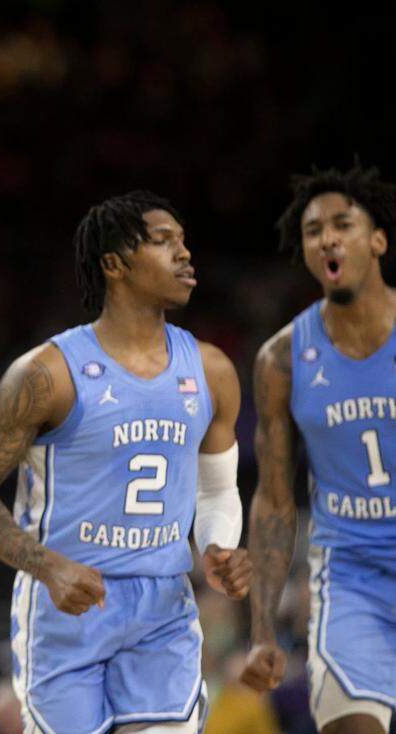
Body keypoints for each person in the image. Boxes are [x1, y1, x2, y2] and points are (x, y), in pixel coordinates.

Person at [0, 191, 252, 733]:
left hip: (163, 607)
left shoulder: (212, 370)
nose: (184, 254)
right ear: (114, 264)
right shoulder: (46, 374)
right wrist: (48, 566)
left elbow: (216, 493)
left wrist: (217, 547)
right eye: (163, 242)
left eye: (183, 241)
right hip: (68, 607)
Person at [241, 163, 396, 734]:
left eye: (343, 223)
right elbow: (274, 502)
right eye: (313, 230)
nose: (327, 237)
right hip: (351, 576)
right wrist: (261, 629)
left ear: (377, 239)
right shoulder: (281, 359)